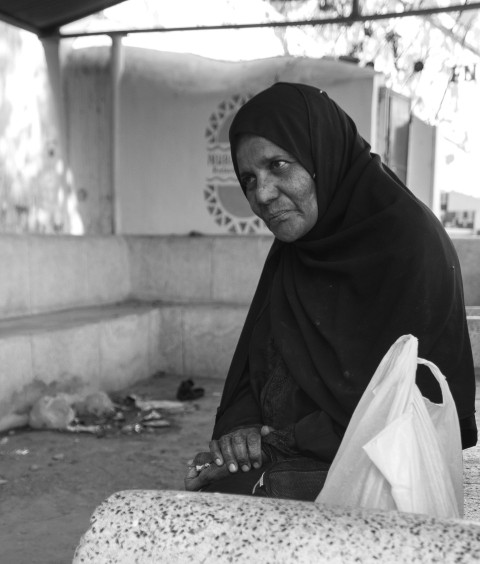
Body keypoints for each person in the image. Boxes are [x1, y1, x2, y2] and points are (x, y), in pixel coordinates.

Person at [184, 82, 477, 499]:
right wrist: (241, 431)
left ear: (324, 156)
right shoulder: (299, 246)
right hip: (292, 451)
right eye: (249, 179)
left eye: (279, 165)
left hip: (380, 470)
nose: (262, 195)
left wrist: (271, 447)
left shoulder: (408, 243)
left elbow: (403, 411)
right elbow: (260, 361)